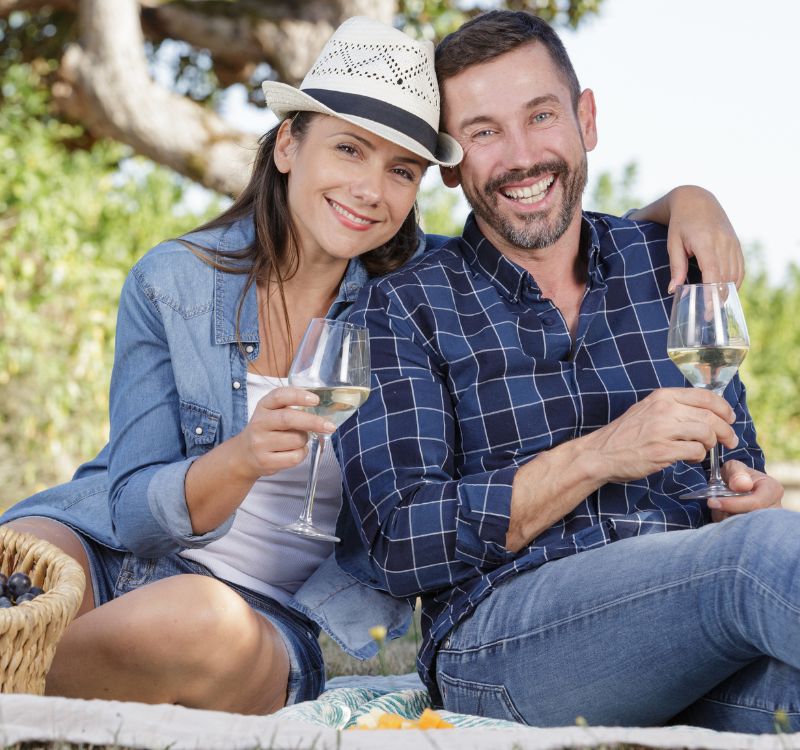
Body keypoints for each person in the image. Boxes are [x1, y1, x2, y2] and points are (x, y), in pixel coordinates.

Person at [1, 15, 742, 714]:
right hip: (110, 555)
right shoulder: (175, 283)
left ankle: (29, 672)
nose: (369, 191)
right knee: (24, 559)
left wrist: (688, 201)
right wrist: (244, 458)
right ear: (289, 145)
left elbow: (549, 228)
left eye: (401, 170)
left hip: (266, 611)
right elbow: (131, 510)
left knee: (195, 623)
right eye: (348, 149)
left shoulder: (424, 291)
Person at [337, 10, 794, 734]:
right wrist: (598, 455)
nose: (522, 157)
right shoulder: (402, 309)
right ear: (453, 165)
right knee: (760, 559)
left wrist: (748, 491)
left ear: (586, 118)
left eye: (541, 115)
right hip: (506, 648)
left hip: (691, 631)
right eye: (485, 132)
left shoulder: (668, 262)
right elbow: (400, 543)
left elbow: (736, 460)